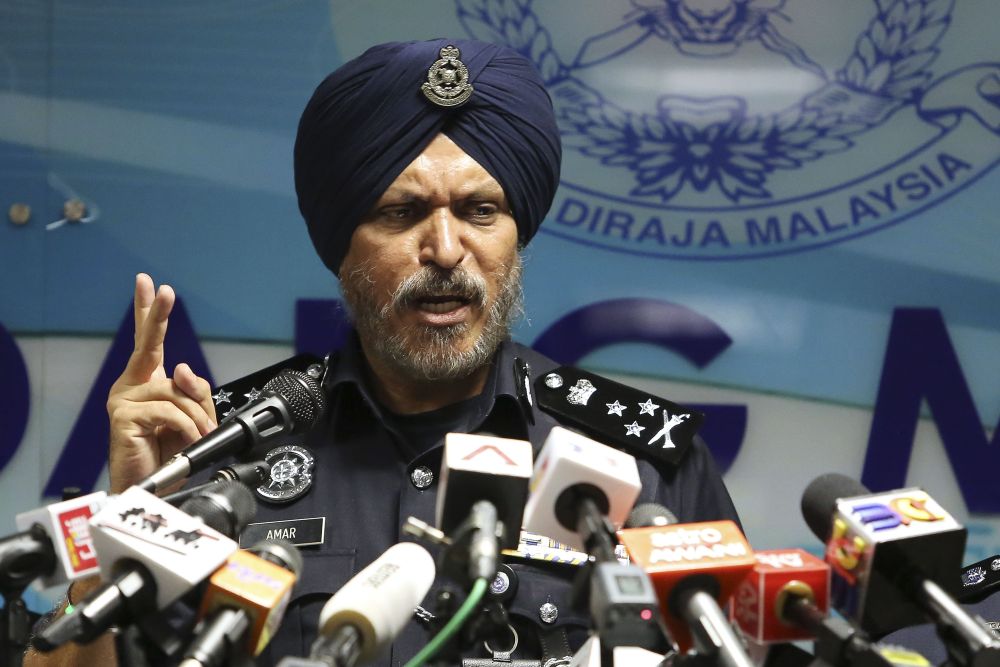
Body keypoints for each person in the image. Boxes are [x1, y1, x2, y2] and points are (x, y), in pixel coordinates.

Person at [26, 38, 739, 666]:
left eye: (479, 210)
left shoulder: (647, 463)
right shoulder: (218, 450)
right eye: (401, 213)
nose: (447, 249)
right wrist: (124, 518)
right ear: (343, 249)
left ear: (515, 237)